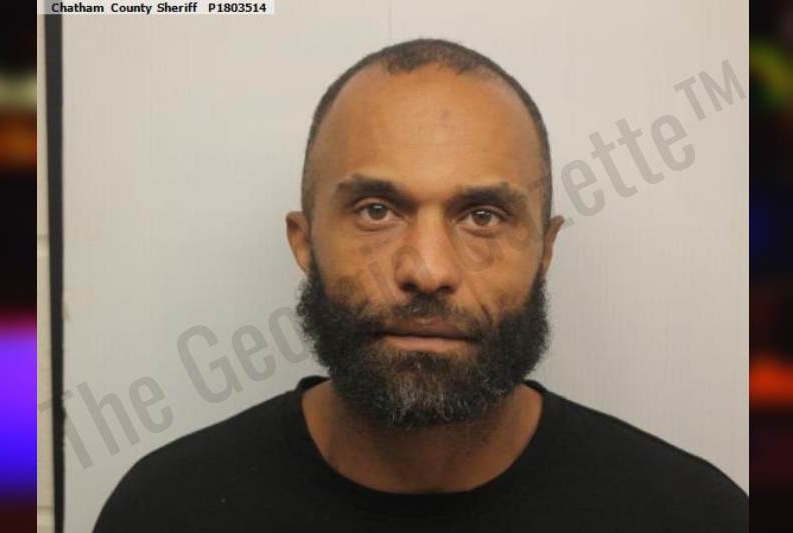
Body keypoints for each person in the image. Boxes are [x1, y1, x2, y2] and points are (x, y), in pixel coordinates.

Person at [93, 38, 748, 532]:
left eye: (483, 216)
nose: (428, 269)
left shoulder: (695, 514)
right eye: (376, 210)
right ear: (304, 242)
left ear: (545, 249)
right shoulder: (164, 509)